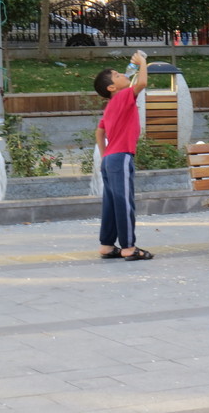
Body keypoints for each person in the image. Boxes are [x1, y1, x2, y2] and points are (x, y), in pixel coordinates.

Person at [93, 51, 153, 261]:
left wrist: (104, 155)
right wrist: (143, 63)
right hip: (121, 156)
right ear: (111, 87)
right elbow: (142, 83)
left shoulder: (111, 106)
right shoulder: (122, 96)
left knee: (111, 203)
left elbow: (99, 132)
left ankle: (107, 245)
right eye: (117, 75)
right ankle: (128, 247)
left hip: (110, 159)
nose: (122, 75)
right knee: (124, 202)